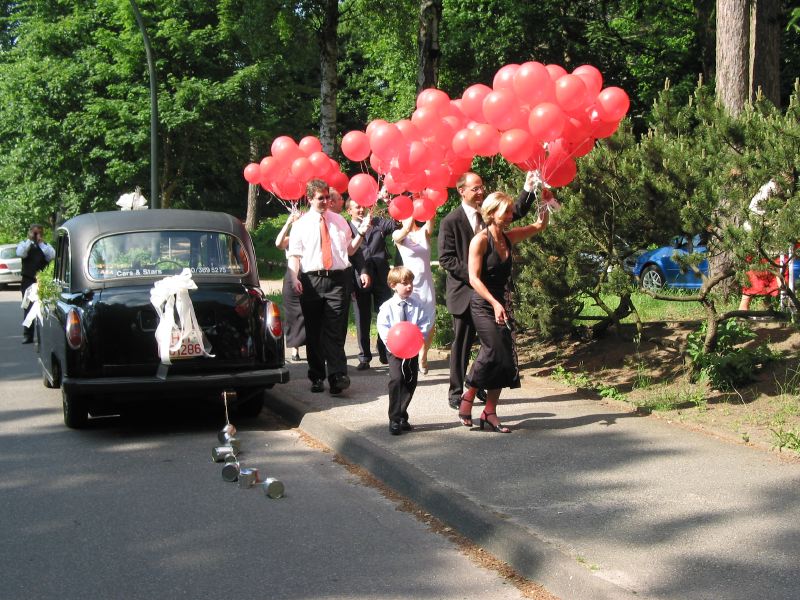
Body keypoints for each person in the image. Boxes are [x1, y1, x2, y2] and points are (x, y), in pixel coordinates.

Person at [438, 170, 546, 410]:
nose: (480, 191)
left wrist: (529, 189)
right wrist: (476, 275)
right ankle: (456, 392)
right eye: (475, 188)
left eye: (482, 187)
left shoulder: (490, 214)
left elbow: (515, 211)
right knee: (463, 344)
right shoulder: (450, 221)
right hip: (466, 291)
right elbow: (446, 258)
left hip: (493, 293)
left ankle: (479, 388)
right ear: (461, 191)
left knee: (492, 345)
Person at [458, 191, 551, 433]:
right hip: (482, 303)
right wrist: (494, 303)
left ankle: (490, 411)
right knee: (493, 348)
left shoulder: (509, 237)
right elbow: (473, 279)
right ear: (491, 214)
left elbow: (540, 225)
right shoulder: (480, 240)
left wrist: (545, 200)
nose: (511, 216)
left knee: (505, 357)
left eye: (511, 211)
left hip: (503, 302)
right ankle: (469, 394)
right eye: (506, 212)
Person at [287, 180, 369, 394]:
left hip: (337, 280)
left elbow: (350, 251)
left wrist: (361, 233)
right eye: (320, 198)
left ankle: (337, 376)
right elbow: (294, 256)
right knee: (314, 331)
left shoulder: (340, 221)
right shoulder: (301, 225)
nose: (325, 201)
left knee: (335, 330)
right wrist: (294, 277)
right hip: (311, 281)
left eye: (327, 197)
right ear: (310, 199)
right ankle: (316, 376)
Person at [376, 266, 432, 435]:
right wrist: (391, 343)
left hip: (412, 349)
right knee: (396, 379)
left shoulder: (417, 305)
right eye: (404, 283)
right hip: (394, 349)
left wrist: (419, 337)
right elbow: (382, 326)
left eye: (411, 283)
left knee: (410, 380)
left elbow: (424, 323)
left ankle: (402, 414)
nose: (409, 286)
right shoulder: (387, 307)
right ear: (393, 285)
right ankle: (394, 418)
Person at [346, 198, 399, 370]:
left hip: (382, 275)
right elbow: (349, 253)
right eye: (357, 207)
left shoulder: (377, 222)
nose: (361, 210)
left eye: (363, 206)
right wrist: (361, 272)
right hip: (359, 276)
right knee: (362, 316)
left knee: (385, 313)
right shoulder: (346, 228)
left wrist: (389, 203)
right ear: (349, 211)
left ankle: (384, 349)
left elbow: (396, 224)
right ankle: (364, 357)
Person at [393, 216, 436, 374]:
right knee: (411, 321)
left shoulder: (423, 233)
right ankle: (409, 354)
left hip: (426, 284)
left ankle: (423, 355)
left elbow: (431, 221)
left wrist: (426, 204)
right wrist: (408, 219)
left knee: (430, 321)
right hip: (409, 285)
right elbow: (401, 233)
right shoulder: (399, 235)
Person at [16, 224, 55, 343]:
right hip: (28, 280)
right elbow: (21, 253)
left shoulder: (46, 246)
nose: (36, 235)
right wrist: (30, 240)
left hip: (42, 280)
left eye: (38, 233)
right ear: (30, 232)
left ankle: (45, 334)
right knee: (28, 307)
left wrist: (41, 243)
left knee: (44, 307)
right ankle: (28, 335)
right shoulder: (24, 244)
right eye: (34, 233)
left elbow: (51, 256)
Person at [275, 210, 305, 361]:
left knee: (309, 312)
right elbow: (278, 243)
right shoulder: (290, 238)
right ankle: (295, 349)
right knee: (293, 314)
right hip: (292, 275)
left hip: (308, 275)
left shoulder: (309, 236)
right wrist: (287, 222)